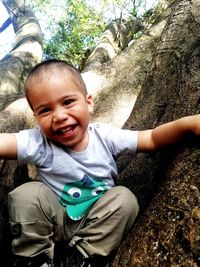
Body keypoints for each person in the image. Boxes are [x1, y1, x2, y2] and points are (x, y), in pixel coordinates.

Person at [1, 59, 200, 267]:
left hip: (97, 224)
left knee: (125, 199)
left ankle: (80, 259)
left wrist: (188, 125)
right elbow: (5, 142)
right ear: (36, 117)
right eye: (45, 110)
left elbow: (150, 139)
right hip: (55, 222)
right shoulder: (39, 141)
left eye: (68, 102)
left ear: (88, 102)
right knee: (27, 195)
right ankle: (34, 259)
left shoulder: (104, 137)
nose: (59, 116)